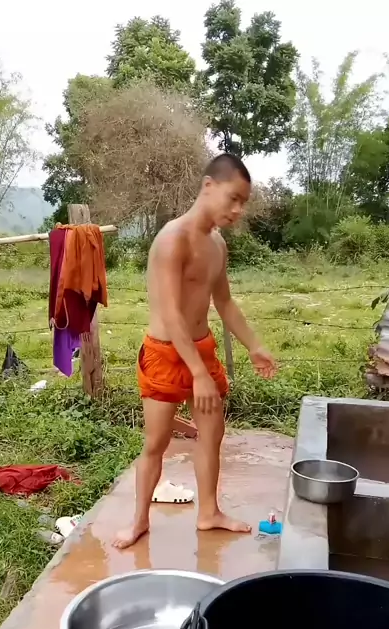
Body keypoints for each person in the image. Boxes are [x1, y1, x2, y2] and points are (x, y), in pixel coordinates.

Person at [113, 153, 277, 550]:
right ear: (208, 186)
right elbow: (170, 315)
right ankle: (139, 521)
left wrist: (254, 345)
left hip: (202, 350)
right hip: (165, 354)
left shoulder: (217, 244)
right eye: (233, 198)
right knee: (156, 442)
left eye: (243, 202)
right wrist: (198, 375)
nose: (238, 210)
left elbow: (225, 303)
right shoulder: (172, 239)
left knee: (212, 434)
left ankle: (209, 513)